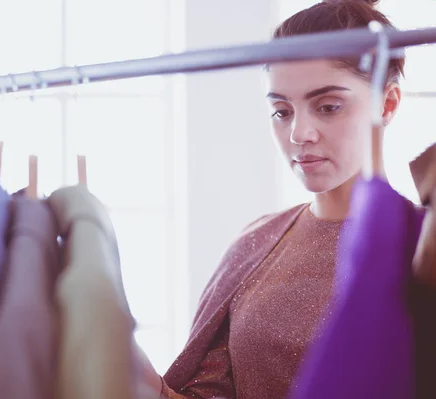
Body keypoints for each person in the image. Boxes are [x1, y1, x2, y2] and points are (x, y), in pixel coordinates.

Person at [137, 1, 417, 398]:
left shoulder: (422, 244)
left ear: (386, 103)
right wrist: (134, 369)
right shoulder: (257, 242)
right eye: (282, 112)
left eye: (328, 107)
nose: (300, 133)